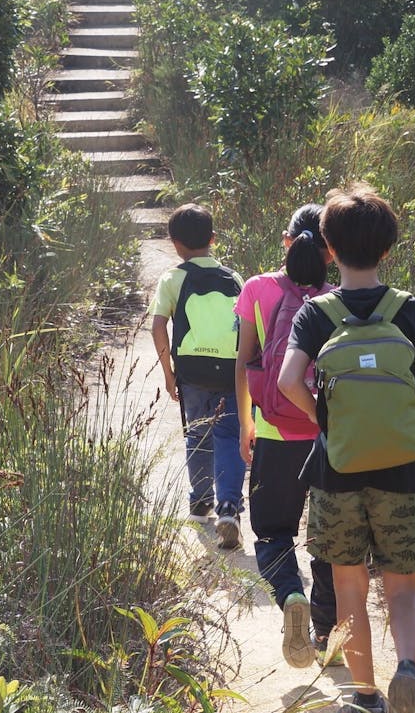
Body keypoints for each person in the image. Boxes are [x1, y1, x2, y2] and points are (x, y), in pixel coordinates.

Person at [278, 183, 415, 713]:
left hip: (338, 469)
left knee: (349, 586)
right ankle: (407, 666)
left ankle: (364, 695)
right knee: (405, 587)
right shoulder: (411, 311)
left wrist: (327, 419)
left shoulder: (316, 315)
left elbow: (290, 381)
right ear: (387, 249)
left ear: (329, 250)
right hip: (405, 469)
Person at [235, 204, 338, 670]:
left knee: (273, 531)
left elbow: (245, 362)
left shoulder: (257, 289)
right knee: (329, 540)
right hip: (329, 438)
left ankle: (290, 594)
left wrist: (246, 424)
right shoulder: (339, 299)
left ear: (285, 241)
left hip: (274, 433)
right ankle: (327, 633)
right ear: (331, 253)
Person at [149, 203, 246, 549]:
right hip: (232, 372)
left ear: (174, 243)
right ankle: (230, 506)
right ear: (213, 239)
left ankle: (201, 501)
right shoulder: (234, 278)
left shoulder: (172, 279)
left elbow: (158, 326)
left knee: (198, 435)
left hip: (192, 372)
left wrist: (168, 372)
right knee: (230, 437)